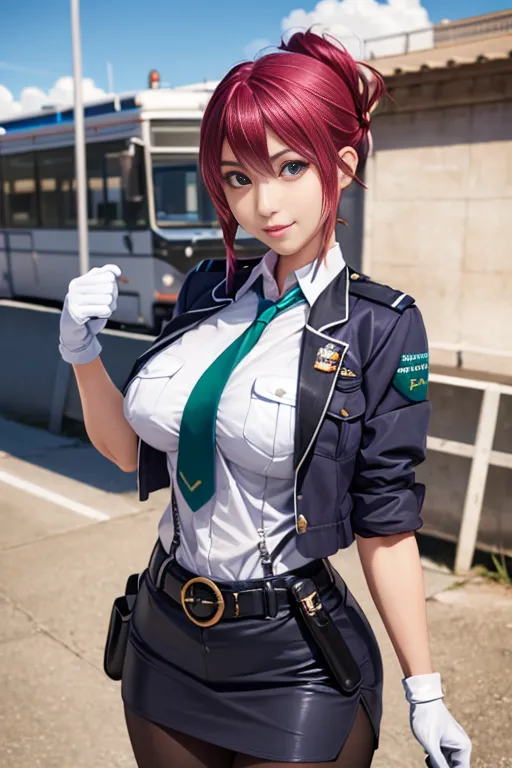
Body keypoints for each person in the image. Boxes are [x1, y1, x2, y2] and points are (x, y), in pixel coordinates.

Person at [58, 30, 472, 768]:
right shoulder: (202, 292)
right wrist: (83, 355)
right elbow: (130, 452)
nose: (263, 203)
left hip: (292, 655)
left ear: (340, 164)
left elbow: (387, 522)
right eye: (238, 178)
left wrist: (426, 688)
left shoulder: (380, 323)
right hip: (164, 632)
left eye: (288, 166)